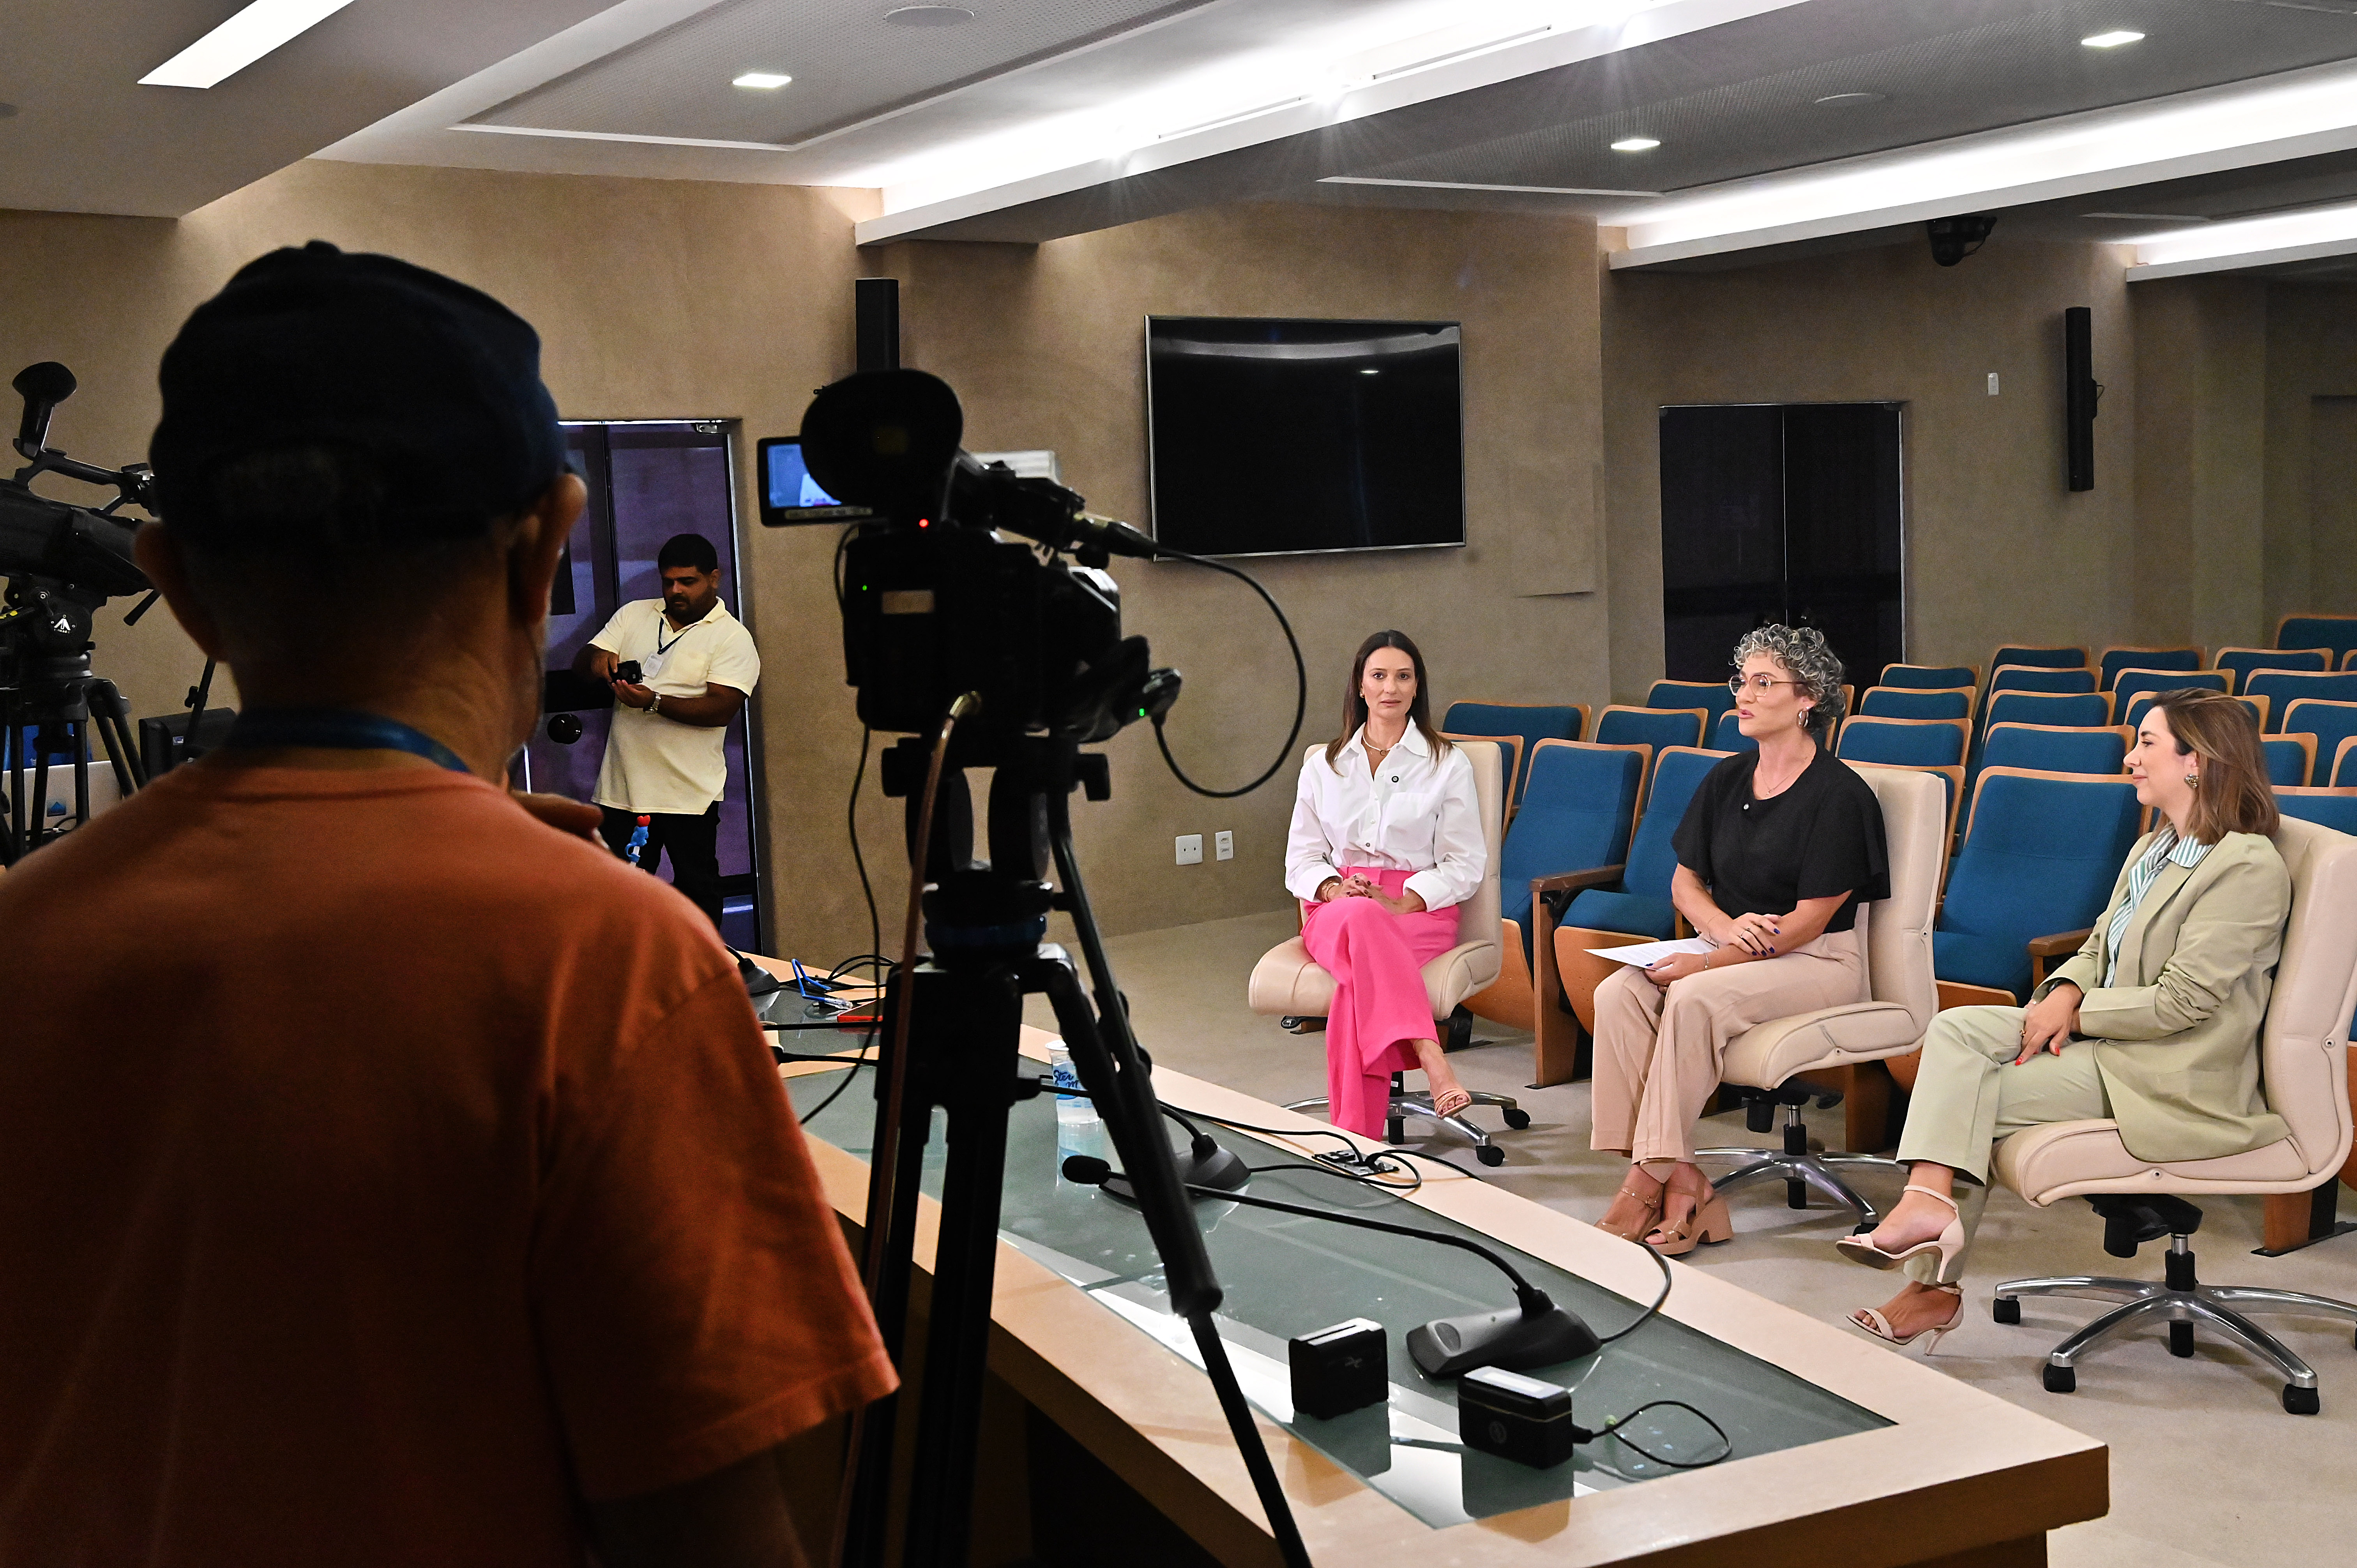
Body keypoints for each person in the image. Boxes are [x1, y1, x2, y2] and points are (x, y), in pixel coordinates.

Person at [0, 242, 894, 1567]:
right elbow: (701, 1531)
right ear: (546, 546)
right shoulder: (604, 961)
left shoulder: (26, 932)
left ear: (174, 582)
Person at [1840, 689, 2289, 1351]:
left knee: (1971, 1094)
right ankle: (1928, 1204)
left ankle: (1931, 1282)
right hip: (2114, 1040)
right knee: (1954, 1030)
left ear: (2196, 761)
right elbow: (2098, 943)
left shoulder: (2245, 865)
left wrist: (2076, 1015)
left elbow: (2181, 1003)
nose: (2130, 758)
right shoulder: (2155, 847)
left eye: (2147, 743)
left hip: (2172, 1071)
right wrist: (2064, 988)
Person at [1591, 625, 1889, 1255]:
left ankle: (1644, 1185)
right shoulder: (1726, 778)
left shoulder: (1841, 796)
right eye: (1741, 681)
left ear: (1807, 697)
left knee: (1692, 997)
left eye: (1763, 683)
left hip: (1817, 961)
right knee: (1618, 993)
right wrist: (1721, 930)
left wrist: (1706, 964)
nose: (1743, 696)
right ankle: (1685, 1181)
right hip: (1729, 947)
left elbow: (1807, 922)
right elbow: (1684, 882)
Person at [1283, 630, 1486, 1139]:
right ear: (1360, 684)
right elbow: (1301, 860)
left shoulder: (1447, 763)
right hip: (1338, 906)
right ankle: (1430, 1054)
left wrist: (1402, 901)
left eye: (1403, 676)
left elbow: (1465, 864)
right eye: (1379, 676)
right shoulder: (1323, 765)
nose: (1390, 687)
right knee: (1360, 915)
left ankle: (1358, 1141)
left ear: (1417, 687)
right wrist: (1334, 890)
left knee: (1355, 989)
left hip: (1417, 910)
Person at [574, 531, 761, 930]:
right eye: (669, 581)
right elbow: (582, 663)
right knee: (618, 892)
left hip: (687, 794)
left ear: (714, 578)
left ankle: (704, 962)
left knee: (697, 890)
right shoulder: (634, 614)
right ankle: (627, 963)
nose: (676, 591)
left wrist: (654, 702)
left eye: (687, 582)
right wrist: (598, 659)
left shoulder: (732, 637)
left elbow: (721, 709)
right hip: (623, 791)